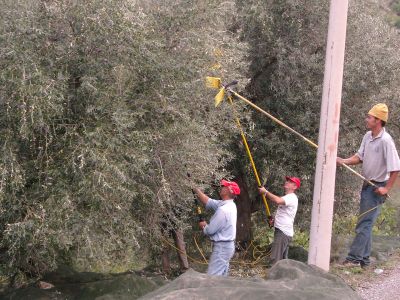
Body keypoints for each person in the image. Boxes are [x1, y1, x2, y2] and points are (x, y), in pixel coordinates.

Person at [337, 103, 400, 268]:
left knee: (364, 224)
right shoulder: (367, 136)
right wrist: (343, 161)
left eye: (369, 117)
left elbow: (395, 169)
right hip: (367, 185)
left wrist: (386, 189)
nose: (366, 119)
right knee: (367, 223)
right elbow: (359, 157)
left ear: (378, 120)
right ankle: (364, 260)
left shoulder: (386, 141)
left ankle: (353, 259)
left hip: (377, 189)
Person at [193, 179, 240, 276]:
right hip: (227, 247)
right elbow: (208, 201)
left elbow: (210, 231)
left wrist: (204, 226)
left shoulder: (223, 210)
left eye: (224, 187)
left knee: (212, 279)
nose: (221, 188)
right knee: (221, 279)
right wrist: (195, 189)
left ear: (228, 191)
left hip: (222, 248)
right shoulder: (230, 205)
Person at [258, 176, 300, 266]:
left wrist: (265, 192)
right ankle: (283, 279)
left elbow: (277, 200)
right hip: (282, 232)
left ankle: (273, 279)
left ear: (295, 187)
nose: (287, 182)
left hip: (283, 233)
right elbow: (285, 215)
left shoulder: (292, 197)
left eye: (290, 181)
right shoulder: (287, 197)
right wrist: (274, 222)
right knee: (282, 262)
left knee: (275, 261)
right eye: (287, 180)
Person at [160, 210, 189, 275]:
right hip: (163, 221)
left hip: (177, 220)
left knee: (180, 246)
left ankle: (184, 269)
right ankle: (166, 271)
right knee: (165, 247)